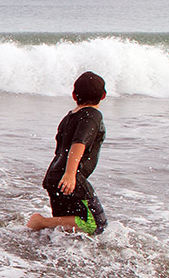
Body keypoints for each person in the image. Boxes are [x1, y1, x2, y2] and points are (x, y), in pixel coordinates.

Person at [27, 71, 108, 235]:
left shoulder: (69, 117)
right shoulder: (92, 115)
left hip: (55, 176)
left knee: (65, 230)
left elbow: (60, 149)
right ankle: (39, 222)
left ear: (73, 95)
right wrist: (70, 174)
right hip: (70, 177)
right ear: (104, 95)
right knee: (95, 224)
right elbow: (79, 144)